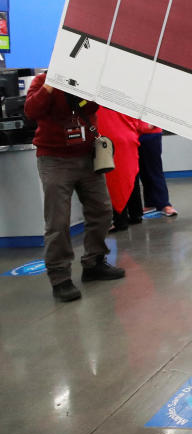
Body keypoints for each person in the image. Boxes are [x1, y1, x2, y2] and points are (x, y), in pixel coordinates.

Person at [24, 73, 125, 302]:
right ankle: (60, 278)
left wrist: (83, 88)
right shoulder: (41, 81)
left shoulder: (86, 78)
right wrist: (51, 85)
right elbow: (31, 111)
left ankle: (94, 263)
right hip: (54, 159)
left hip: (87, 158)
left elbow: (92, 107)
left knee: (102, 211)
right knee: (58, 222)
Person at [138, 123, 178, 216]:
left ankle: (164, 204)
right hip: (135, 133)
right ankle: (150, 203)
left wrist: (153, 123)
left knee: (154, 170)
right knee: (143, 172)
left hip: (150, 134)